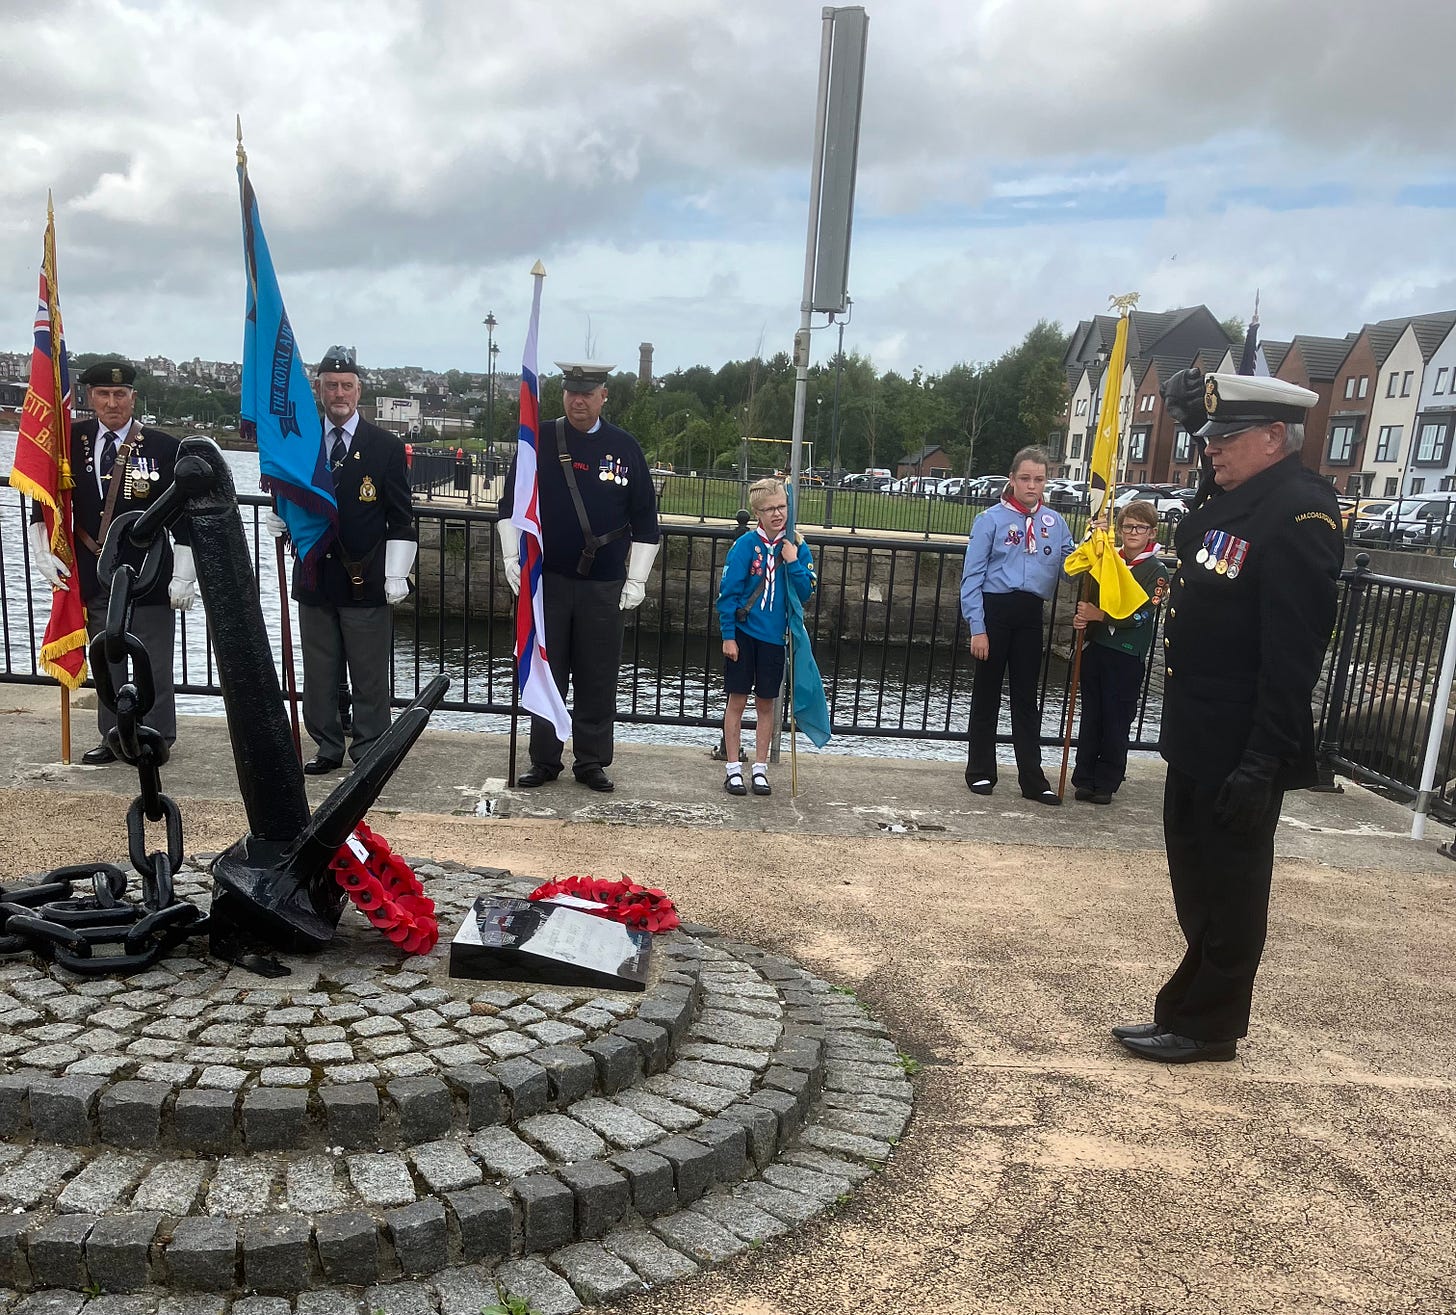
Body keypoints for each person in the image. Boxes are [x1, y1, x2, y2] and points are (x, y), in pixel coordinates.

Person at [1113, 370, 1343, 1064]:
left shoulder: (1301, 512)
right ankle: (1188, 1008)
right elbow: (1211, 518)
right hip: (1197, 731)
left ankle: (1209, 1024)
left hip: (1241, 740)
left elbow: (1292, 653)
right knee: (1195, 878)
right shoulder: (1244, 495)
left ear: (1275, 438)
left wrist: (1264, 758)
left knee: (1231, 887)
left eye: (1226, 438)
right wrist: (1198, 427)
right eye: (1208, 437)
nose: (1212, 451)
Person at [498, 362, 660, 793]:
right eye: (572, 392)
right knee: (546, 670)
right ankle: (545, 760)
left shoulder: (624, 447)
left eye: (587, 393)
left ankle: (591, 761)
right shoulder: (540, 441)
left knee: (598, 675)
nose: (578, 400)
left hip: (604, 582)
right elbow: (512, 502)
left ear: (603, 395)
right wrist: (511, 557)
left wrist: (637, 579)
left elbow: (645, 518)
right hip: (547, 579)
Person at [28, 360, 196, 764]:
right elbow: (44, 497)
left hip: (149, 569)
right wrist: (40, 550)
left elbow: (183, 517)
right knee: (106, 658)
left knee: (153, 658)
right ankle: (113, 737)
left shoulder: (162, 447)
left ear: (133, 398)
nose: (112, 402)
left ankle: (157, 736)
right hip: (94, 567)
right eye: (103, 394)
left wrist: (184, 576)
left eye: (120, 394)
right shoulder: (69, 440)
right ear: (90, 398)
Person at [269, 347, 415, 774]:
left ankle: (368, 748)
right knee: (319, 669)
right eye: (330, 385)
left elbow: (401, 515)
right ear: (318, 390)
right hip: (315, 574)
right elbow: (289, 494)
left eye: (346, 385)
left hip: (365, 576)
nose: (339, 393)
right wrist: (280, 515)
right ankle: (327, 746)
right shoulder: (299, 444)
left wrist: (396, 574)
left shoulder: (384, 446)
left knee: (368, 674)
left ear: (359, 390)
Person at [960, 446, 1074, 804]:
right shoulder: (990, 520)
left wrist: (1094, 552)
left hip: (1030, 613)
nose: (1031, 486)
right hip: (995, 611)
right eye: (1025, 478)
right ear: (1012, 479)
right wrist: (977, 627)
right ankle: (980, 770)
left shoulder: (1055, 524)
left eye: (1039, 479)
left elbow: (1070, 571)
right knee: (987, 695)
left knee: (1027, 699)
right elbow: (971, 578)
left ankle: (1032, 778)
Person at [715, 478, 816, 797]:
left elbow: (805, 592)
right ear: (757, 513)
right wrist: (728, 635)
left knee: (766, 703)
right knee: (737, 700)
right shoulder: (745, 546)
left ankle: (760, 768)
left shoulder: (797, 546)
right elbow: (728, 594)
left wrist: (792, 562)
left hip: (774, 638)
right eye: (770, 509)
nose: (778, 514)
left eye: (782, 507)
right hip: (744, 635)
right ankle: (733, 768)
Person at [1070, 500, 1171, 805]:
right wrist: (1084, 618)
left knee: (1116, 719)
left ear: (1151, 532)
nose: (1133, 533)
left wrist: (1101, 615)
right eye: (1127, 526)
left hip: (1126, 654)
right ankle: (1084, 776)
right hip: (1097, 647)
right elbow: (1090, 591)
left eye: (1140, 527)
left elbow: (1142, 615)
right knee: (1092, 716)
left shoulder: (1157, 571)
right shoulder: (1109, 561)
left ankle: (1107, 780)